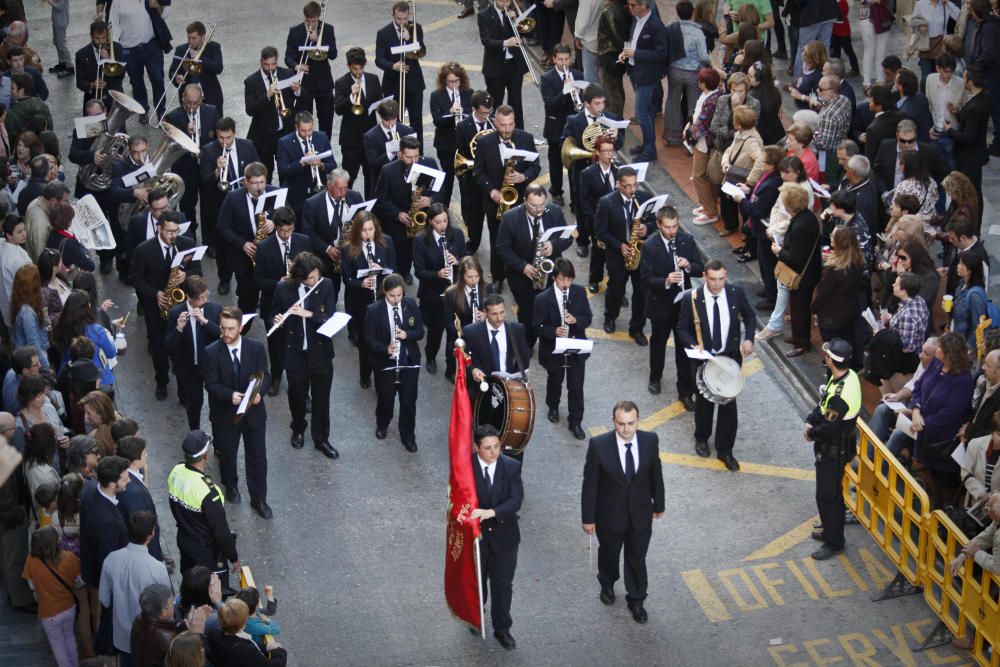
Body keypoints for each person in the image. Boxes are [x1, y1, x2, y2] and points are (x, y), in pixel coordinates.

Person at [581, 400, 665, 624]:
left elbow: (655, 473)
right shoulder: (599, 446)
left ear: (638, 420)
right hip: (609, 516)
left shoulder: (649, 441)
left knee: (637, 558)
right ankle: (607, 583)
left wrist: (659, 504)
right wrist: (588, 518)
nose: (627, 429)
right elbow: (590, 484)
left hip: (640, 514)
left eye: (631, 423)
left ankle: (636, 599)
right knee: (609, 554)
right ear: (613, 421)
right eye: (621, 424)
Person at [677, 260, 756, 469]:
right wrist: (693, 344)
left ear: (726, 276)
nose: (717, 284)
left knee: (729, 405)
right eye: (712, 279)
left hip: (729, 357)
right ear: (705, 276)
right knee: (704, 401)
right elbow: (682, 328)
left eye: (721, 279)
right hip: (705, 359)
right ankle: (701, 438)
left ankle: (725, 450)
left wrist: (749, 338)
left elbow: (749, 316)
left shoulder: (735, 293)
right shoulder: (692, 298)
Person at [201, 308, 272, 519]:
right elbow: (210, 384)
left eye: (231, 329)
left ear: (240, 328)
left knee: (258, 457)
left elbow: (265, 376)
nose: (225, 333)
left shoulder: (256, 348)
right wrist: (229, 394)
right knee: (228, 454)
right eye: (222, 328)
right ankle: (230, 485)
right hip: (225, 414)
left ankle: (258, 499)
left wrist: (260, 393)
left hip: (253, 414)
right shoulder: (211, 352)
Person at [271, 252, 338, 460]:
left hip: (320, 353)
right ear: (299, 277)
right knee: (297, 396)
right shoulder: (284, 288)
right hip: (295, 353)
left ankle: (321, 438)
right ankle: (298, 428)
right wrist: (277, 321)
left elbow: (331, 316)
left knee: (321, 398)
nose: (314, 281)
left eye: (316, 276)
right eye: (309, 278)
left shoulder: (325, 285)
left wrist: (309, 314)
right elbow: (271, 313)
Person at [129, 212, 200, 401]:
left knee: (183, 349)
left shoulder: (187, 245)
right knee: (159, 349)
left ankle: (183, 389)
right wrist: (156, 294)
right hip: (156, 308)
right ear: (159, 229)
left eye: (176, 231)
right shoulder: (144, 250)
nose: (173, 236)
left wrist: (187, 276)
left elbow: (197, 272)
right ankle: (162, 381)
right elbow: (136, 278)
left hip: (181, 306)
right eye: (169, 231)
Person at [471, 104, 540, 287]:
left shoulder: (525, 138)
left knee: (522, 240)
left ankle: (519, 276)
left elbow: (535, 165)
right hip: (496, 201)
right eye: (502, 125)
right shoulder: (485, 143)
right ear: (495, 122)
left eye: (510, 124)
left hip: (521, 201)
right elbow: (478, 172)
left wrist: (523, 176)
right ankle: (498, 277)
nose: (507, 129)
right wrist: (492, 190)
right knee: (497, 241)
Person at [496, 184, 572, 349]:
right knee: (527, 313)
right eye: (533, 205)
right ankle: (528, 342)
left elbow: (567, 238)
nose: (538, 210)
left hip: (550, 273)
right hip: (522, 277)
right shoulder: (510, 218)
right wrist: (523, 266)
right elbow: (502, 248)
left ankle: (549, 341)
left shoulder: (555, 212)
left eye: (541, 205)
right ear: (524, 201)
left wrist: (554, 245)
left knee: (551, 310)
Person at [805, 339, 861, 559]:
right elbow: (823, 403)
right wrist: (811, 418)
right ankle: (831, 531)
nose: (825, 356)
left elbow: (828, 428)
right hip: (836, 446)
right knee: (832, 493)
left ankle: (834, 542)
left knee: (828, 496)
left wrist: (810, 433)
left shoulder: (841, 396)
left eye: (827, 355)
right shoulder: (847, 377)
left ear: (831, 360)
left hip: (833, 450)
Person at [641, 206, 704, 404]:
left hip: (683, 306)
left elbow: (700, 268)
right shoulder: (650, 246)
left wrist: (689, 266)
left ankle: (684, 392)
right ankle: (655, 377)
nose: (672, 231)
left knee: (683, 350)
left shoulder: (686, 240)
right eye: (668, 227)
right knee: (658, 345)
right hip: (661, 305)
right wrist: (666, 281)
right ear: (659, 225)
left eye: (675, 226)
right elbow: (646, 278)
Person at [469, 424, 523, 649]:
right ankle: (475, 615)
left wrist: (491, 512)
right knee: (476, 583)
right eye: (488, 448)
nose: (494, 453)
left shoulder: (511, 467)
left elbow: (515, 500)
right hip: (476, 540)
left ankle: (502, 629)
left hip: (504, 539)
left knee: (503, 586)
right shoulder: (465, 468)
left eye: (497, 447)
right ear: (476, 448)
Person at [166, 430, 240, 590]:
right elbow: (221, 531)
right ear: (206, 455)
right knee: (211, 593)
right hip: (206, 553)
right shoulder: (209, 492)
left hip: (185, 540)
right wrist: (233, 557)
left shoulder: (176, 471)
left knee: (190, 585)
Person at [99, 512, 171, 665]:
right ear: (151, 535)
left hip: (122, 637)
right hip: (149, 637)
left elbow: (104, 599)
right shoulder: (157, 568)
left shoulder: (111, 559)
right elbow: (166, 605)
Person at [252, 207, 310, 397]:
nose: (286, 235)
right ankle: (276, 376)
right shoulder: (264, 247)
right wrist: (278, 282)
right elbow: (258, 279)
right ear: (275, 227)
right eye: (282, 231)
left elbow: (313, 272)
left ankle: (303, 388)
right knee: (276, 345)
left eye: (290, 230)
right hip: (274, 305)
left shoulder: (303, 242)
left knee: (301, 345)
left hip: (300, 304)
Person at [198, 116, 260, 294]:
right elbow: (204, 183)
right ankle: (224, 279)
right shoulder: (208, 152)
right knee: (223, 248)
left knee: (246, 241)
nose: (224, 142)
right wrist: (217, 171)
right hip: (220, 205)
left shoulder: (247, 146)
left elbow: (258, 168)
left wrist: (248, 183)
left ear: (235, 133)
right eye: (221, 138)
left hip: (244, 201)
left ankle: (248, 281)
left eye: (228, 138)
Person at [533, 259, 592, 440]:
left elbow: (588, 317)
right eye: (561, 280)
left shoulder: (579, 292)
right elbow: (537, 327)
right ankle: (553, 406)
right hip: (554, 349)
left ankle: (575, 421)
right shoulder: (542, 299)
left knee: (576, 386)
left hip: (574, 346)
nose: (565, 284)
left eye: (569, 280)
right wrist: (554, 331)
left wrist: (576, 320)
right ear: (554, 278)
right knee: (555, 380)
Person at [364, 273, 423, 452]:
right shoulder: (374, 310)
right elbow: (369, 339)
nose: (396, 299)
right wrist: (386, 349)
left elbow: (420, 331)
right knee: (386, 398)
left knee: (408, 401)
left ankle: (408, 435)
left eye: (399, 295)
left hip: (408, 361)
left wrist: (407, 335)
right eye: (392, 296)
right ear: (385, 293)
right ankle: (382, 423)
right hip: (386, 363)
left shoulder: (410, 305)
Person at [372, 135, 443, 284]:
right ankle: (404, 273)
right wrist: (397, 214)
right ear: (400, 154)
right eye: (409, 157)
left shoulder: (429, 164)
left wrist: (430, 200)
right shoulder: (388, 171)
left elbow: (442, 190)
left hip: (426, 220)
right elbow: (381, 199)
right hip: (401, 223)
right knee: (403, 255)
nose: (414, 161)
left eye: (417, 156)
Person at [595, 166, 652, 344]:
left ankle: (637, 328)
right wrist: (619, 245)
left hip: (640, 254)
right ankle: (610, 317)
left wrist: (647, 227)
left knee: (642, 293)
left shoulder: (644, 198)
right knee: (616, 290)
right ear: (619, 184)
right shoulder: (606, 202)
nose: (633, 190)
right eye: (628, 186)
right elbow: (600, 232)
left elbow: (656, 221)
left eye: (635, 185)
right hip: (618, 255)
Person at [79, 454, 130, 652]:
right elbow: (108, 562)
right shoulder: (108, 522)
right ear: (111, 484)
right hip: (100, 575)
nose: (129, 481)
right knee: (101, 614)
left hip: (88, 564)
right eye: (125, 479)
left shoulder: (90, 489)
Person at [412, 204, 466, 375]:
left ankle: (450, 368)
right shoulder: (421, 239)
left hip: (454, 292)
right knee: (436, 330)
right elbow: (419, 271)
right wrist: (437, 274)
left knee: (453, 332)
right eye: (438, 222)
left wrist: (457, 261)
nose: (442, 225)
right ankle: (431, 357)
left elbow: (465, 258)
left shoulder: (456, 234)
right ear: (430, 222)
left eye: (445, 221)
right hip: (433, 295)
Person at [343, 211, 396, 386]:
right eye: (364, 231)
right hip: (361, 303)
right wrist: (362, 283)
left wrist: (382, 270)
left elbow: (393, 269)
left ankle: (383, 372)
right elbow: (348, 279)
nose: (368, 234)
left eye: (371, 230)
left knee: (384, 337)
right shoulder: (348, 249)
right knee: (365, 342)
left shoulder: (386, 241)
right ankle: (365, 375)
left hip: (382, 300)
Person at [217, 162, 277, 315]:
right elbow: (223, 227)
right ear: (245, 182)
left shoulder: (275, 193)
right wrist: (242, 244)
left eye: (262, 182)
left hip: (270, 254)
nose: (259, 187)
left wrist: (275, 222)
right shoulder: (233, 197)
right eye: (255, 183)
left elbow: (289, 216)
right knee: (247, 297)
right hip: (244, 257)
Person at [164, 277, 222, 431]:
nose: (205, 300)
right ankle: (195, 434)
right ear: (189, 297)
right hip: (190, 368)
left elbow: (223, 335)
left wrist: (205, 322)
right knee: (195, 404)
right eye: (201, 298)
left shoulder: (215, 309)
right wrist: (179, 328)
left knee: (217, 406)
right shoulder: (175, 313)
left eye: (206, 295)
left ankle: (218, 441)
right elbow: (169, 346)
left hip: (211, 367)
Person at [162, 84, 219, 234]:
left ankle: (209, 240)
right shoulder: (173, 117)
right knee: (187, 205)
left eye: (196, 103)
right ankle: (190, 234)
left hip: (206, 166)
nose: (192, 106)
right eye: (188, 102)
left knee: (209, 203)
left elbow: (217, 137)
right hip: (185, 167)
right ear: (182, 99)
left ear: (202, 99)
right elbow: (170, 145)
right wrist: (186, 134)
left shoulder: (211, 111)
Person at [20, 526, 80, 667]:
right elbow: (79, 580)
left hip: (48, 612)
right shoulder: (69, 557)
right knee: (69, 637)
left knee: (57, 643)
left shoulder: (31, 560)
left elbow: (31, 586)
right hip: (69, 607)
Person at [465, 295, 531, 416]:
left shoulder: (517, 329)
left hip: (508, 387)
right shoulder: (471, 332)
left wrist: (514, 380)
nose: (499, 318)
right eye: (494, 314)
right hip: (482, 388)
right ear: (485, 313)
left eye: (502, 312)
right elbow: (464, 358)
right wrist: (473, 369)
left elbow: (524, 358)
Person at [619, 0, 667, 161]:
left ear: (644, 5)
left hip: (647, 75)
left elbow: (661, 54)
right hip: (635, 71)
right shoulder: (636, 21)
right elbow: (633, 43)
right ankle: (647, 145)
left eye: (633, 5)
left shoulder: (656, 26)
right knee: (644, 112)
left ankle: (650, 150)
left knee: (642, 113)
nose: (629, 8)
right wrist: (625, 54)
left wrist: (635, 54)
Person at [243, 46, 300, 183]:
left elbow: (305, 99)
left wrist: (298, 91)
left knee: (287, 175)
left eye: (273, 64)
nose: (270, 68)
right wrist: (267, 95)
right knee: (264, 175)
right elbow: (250, 110)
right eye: (266, 64)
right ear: (261, 61)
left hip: (285, 133)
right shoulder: (251, 81)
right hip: (263, 138)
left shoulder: (287, 74)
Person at [107, 0, 169, 123]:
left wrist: (158, 5)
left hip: (152, 45)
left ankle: (161, 111)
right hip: (129, 48)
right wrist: (114, 51)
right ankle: (143, 110)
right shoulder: (117, 2)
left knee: (158, 79)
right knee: (136, 82)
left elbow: (164, 15)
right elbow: (112, 24)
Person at [375, 1, 427, 146]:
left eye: (405, 19)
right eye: (399, 19)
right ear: (393, 15)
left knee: (417, 120)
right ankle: (396, 150)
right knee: (393, 120)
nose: (402, 22)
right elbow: (379, 59)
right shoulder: (383, 33)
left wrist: (409, 39)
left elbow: (421, 50)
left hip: (413, 82)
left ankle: (418, 152)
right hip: (393, 83)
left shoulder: (416, 28)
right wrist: (393, 66)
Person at [284, 2, 337, 137]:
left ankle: (325, 150)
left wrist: (319, 39)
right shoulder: (295, 31)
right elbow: (288, 57)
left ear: (319, 17)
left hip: (323, 83)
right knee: (304, 121)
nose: (311, 24)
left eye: (314, 21)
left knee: (326, 121)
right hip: (304, 83)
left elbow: (333, 54)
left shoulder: (328, 29)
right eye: (308, 21)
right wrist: (297, 66)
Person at [539, 44, 583, 207]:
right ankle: (556, 192)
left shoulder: (578, 75)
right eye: (560, 59)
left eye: (566, 59)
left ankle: (575, 199)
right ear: (554, 59)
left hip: (574, 128)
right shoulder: (547, 79)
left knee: (575, 164)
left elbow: (586, 99)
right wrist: (565, 91)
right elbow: (550, 105)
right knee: (556, 163)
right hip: (556, 128)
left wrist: (579, 93)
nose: (564, 63)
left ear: (570, 59)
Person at [333, 48, 382, 191]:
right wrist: (351, 97)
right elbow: (338, 109)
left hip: (370, 138)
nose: (358, 72)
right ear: (348, 66)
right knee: (349, 177)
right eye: (354, 69)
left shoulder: (373, 79)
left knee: (371, 176)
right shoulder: (341, 83)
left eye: (360, 68)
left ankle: (369, 210)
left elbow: (379, 101)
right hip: (351, 140)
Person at [477, 0, 528, 130]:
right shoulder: (484, 15)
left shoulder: (516, 11)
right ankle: (492, 133)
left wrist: (517, 21)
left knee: (516, 102)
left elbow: (528, 33)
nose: (505, 2)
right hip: (495, 66)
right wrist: (506, 42)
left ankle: (518, 134)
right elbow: (486, 41)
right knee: (494, 102)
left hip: (514, 65)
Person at [276, 111, 337, 215]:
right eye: (303, 131)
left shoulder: (322, 137)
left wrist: (321, 165)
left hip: (318, 193)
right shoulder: (284, 142)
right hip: (296, 194)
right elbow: (283, 171)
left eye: (310, 130)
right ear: (296, 127)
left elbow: (332, 165)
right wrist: (302, 162)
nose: (307, 134)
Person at [115, 437, 165, 563]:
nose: (146, 455)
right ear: (136, 461)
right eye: (144, 453)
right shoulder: (133, 492)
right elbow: (141, 527)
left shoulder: (128, 478)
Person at [577, 136, 617, 290]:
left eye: (611, 150)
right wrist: (595, 221)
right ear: (598, 153)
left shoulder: (617, 170)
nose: (609, 154)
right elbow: (584, 202)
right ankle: (594, 279)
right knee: (598, 251)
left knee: (616, 256)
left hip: (615, 219)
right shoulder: (588, 173)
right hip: (597, 220)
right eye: (605, 151)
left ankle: (615, 286)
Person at [428, 62, 471, 205]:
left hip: (463, 144)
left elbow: (473, 116)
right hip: (445, 144)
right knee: (448, 178)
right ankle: (443, 209)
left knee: (465, 182)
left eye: (457, 81)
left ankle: (467, 214)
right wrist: (450, 112)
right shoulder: (436, 96)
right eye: (451, 81)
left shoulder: (468, 93)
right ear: (444, 81)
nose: (454, 84)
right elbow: (437, 121)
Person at [688, 68, 723, 226]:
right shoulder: (715, 95)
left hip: (703, 143)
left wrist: (690, 134)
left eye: (700, 80)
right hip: (703, 141)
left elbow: (701, 123)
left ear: (704, 83)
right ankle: (707, 205)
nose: (698, 83)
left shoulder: (710, 101)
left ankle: (710, 211)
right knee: (702, 176)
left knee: (699, 176)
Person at [206, 599, 287, 666]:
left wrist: (265, 647)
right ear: (242, 625)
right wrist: (279, 651)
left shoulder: (213, 633)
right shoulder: (247, 651)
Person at [361, 99, 414, 200]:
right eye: (387, 120)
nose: (391, 123)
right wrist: (391, 153)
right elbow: (373, 164)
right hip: (383, 184)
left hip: (403, 181)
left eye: (393, 119)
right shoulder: (370, 136)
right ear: (381, 117)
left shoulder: (407, 131)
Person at [169, 21, 224, 113]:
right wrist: (176, 78)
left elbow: (218, 68)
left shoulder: (214, 47)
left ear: (203, 37)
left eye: (194, 38)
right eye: (189, 38)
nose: (190, 41)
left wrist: (200, 58)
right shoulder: (181, 50)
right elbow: (172, 70)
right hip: (189, 100)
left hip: (211, 96)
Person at [74, 21, 124, 111]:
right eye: (97, 38)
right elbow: (80, 82)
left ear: (107, 35)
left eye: (103, 38)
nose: (100, 41)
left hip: (114, 99)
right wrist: (92, 85)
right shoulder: (81, 54)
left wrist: (109, 59)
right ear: (91, 36)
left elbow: (121, 75)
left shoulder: (117, 48)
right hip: (93, 102)